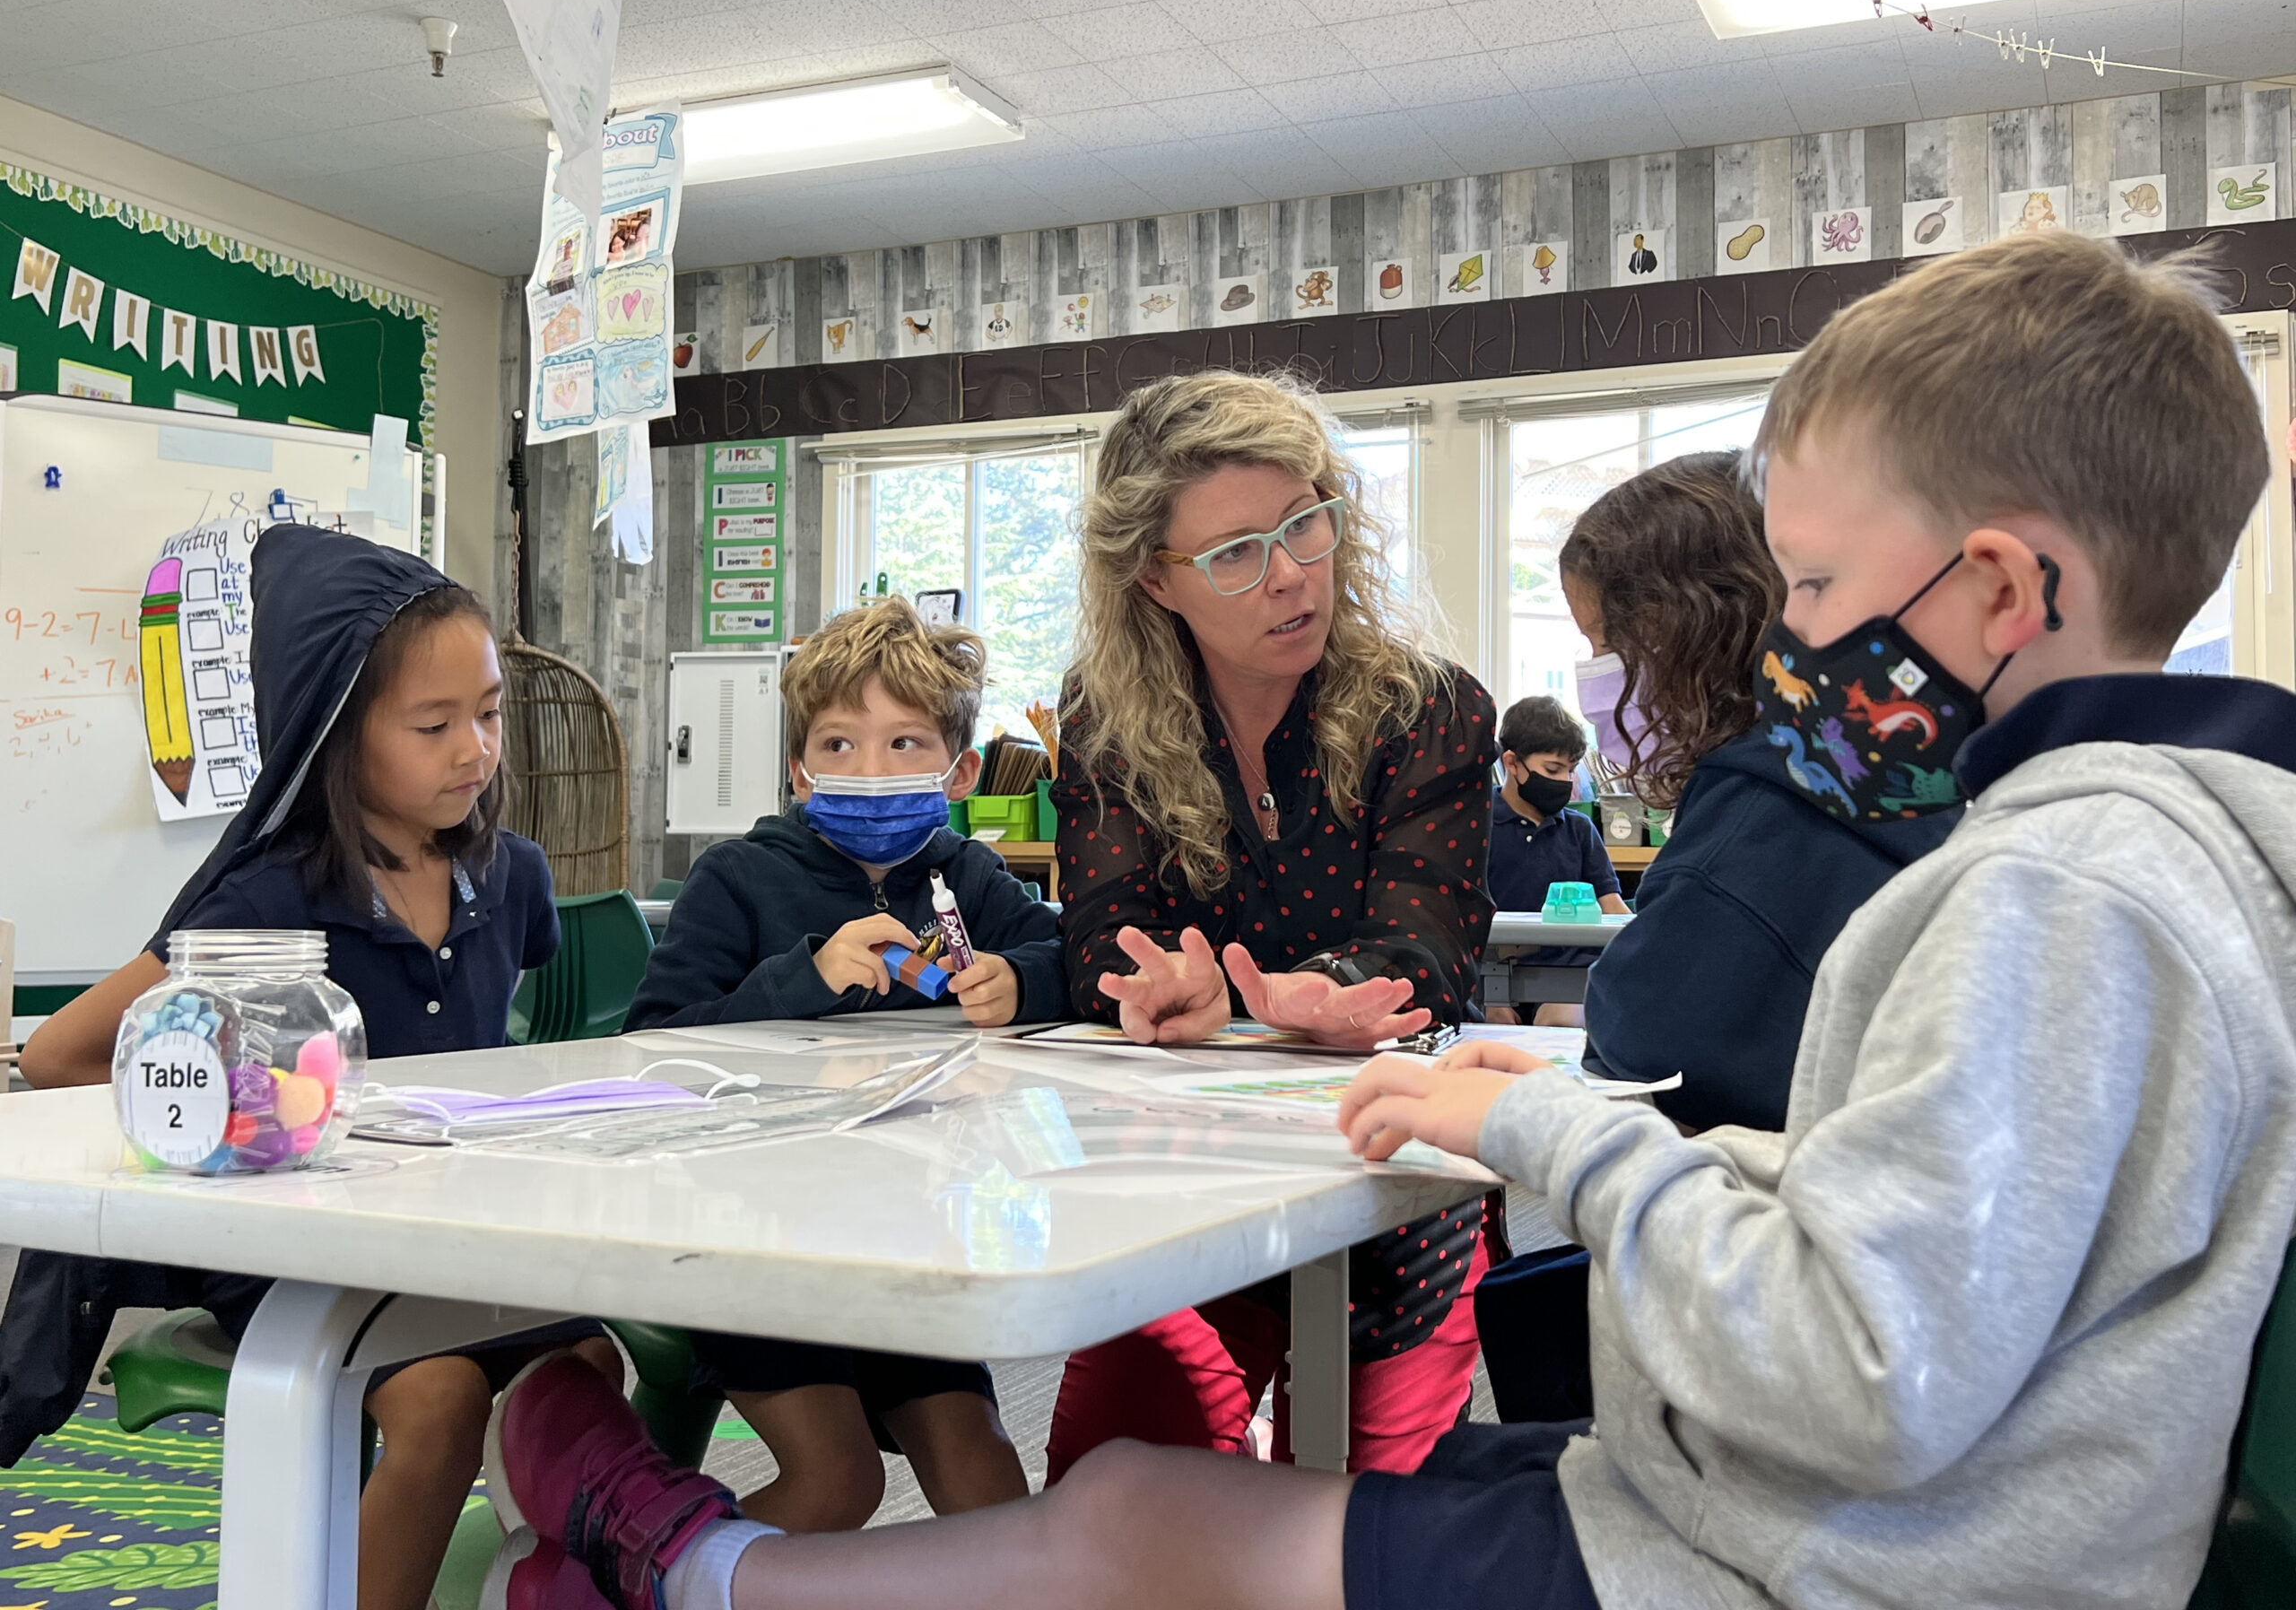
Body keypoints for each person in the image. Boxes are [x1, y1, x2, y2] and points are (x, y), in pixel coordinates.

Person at [474, 233, 2296, 1610]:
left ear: (1993, 584)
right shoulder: (2147, 855)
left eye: (1810, 586)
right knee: (1137, 1487)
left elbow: (1868, 1370)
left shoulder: (2055, 893)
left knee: (1132, 1526)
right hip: (1825, 1527)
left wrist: (1547, 1126)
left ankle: (684, 1564)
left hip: (1818, 1559)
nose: (1786, 641)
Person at [2, 525, 620, 1610]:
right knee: (432, 1404)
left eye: (487, 714)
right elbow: (59, 1052)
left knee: (587, 1365)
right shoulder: (268, 900)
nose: (474, 750)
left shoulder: (508, 875)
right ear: (333, 733)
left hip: (459, 1232)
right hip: (300, 1246)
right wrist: (222, 1125)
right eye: (434, 725)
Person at [1036, 369, 1499, 1480]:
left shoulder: (1429, 708)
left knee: (1356, 1531)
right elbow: (1103, 941)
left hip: (1394, 1170)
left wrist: (1297, 993)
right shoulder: (1105, 721)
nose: (1291, 574)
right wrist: (1149, 985)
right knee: (1111, 1486)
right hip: (1186, 1180)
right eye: (1235, 553)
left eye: (1306, 524)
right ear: (1155, 580)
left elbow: (1424, 953)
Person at [622, 597, 1048, 1530]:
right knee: (838, 1481)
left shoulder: (966, 879)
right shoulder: (736, 878)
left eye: (905, 745)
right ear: (799, 771)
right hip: (756, 1241)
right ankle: (627, 1570)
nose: (871, 769)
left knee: (985, 1470)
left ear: (960, 769)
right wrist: (800, 978)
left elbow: (1075, 962)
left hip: (907, 1242)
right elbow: (656, 1045)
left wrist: (1018, 979)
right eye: (840, 745)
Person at [1561, 450, 1963, 1133]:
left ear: (1677, 631)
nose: (1596, 675)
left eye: (1603, 641)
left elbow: (1645, 1036)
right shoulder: (1887, 763)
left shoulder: (1758, 813)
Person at [1483, 694, 1627, 1025]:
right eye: (1553, 769)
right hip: (1492, 974)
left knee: (1561, 1020)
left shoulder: (1580, 830)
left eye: (1571, 771)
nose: (1565, 781)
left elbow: (1614, 911)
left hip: (1569, 978)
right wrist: (1491, 994)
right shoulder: (1477, 827)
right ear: (1512, 762)